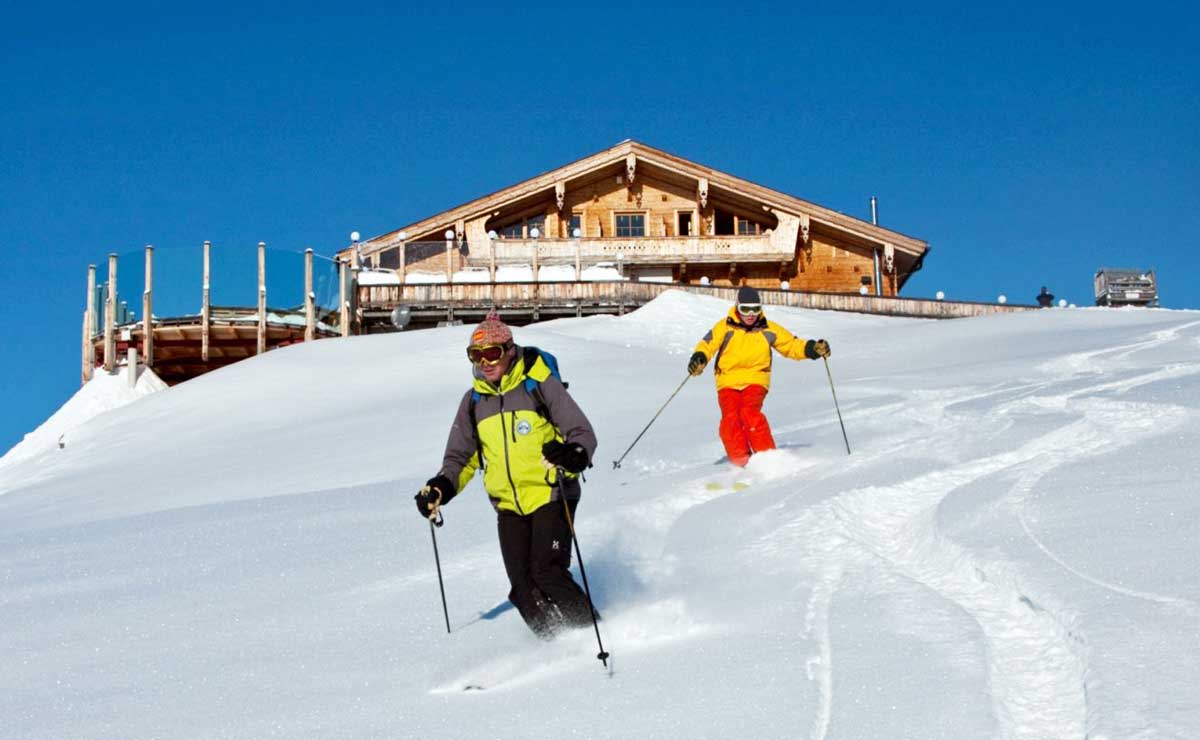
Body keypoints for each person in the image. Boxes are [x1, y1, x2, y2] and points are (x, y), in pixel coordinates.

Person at [415, 309, 599, 638]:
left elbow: (581, 433)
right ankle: (554, 645)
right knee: (521, 587)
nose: (485, 362)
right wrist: (441, 486)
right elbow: (461, 456)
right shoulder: (473, 402)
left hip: (552, 494)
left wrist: (573, 454)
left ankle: (595, 633)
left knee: (548, 572)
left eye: (492, 353)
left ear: (509, 351)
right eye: (476, 355)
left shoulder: (540, 385)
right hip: (509, 505)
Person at [688, 286, 830, 467]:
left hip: (756, 379)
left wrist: (811, 349)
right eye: (745, 309)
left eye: (755, 309)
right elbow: (707, 344)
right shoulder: (725, 326)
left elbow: (791, 345)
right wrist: (699, 358)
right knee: (730, 419)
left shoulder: (768, 328)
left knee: (749, 413)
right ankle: (741, 463)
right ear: (737, 307)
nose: (750, 314)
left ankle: (768, 458)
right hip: (728, 381)